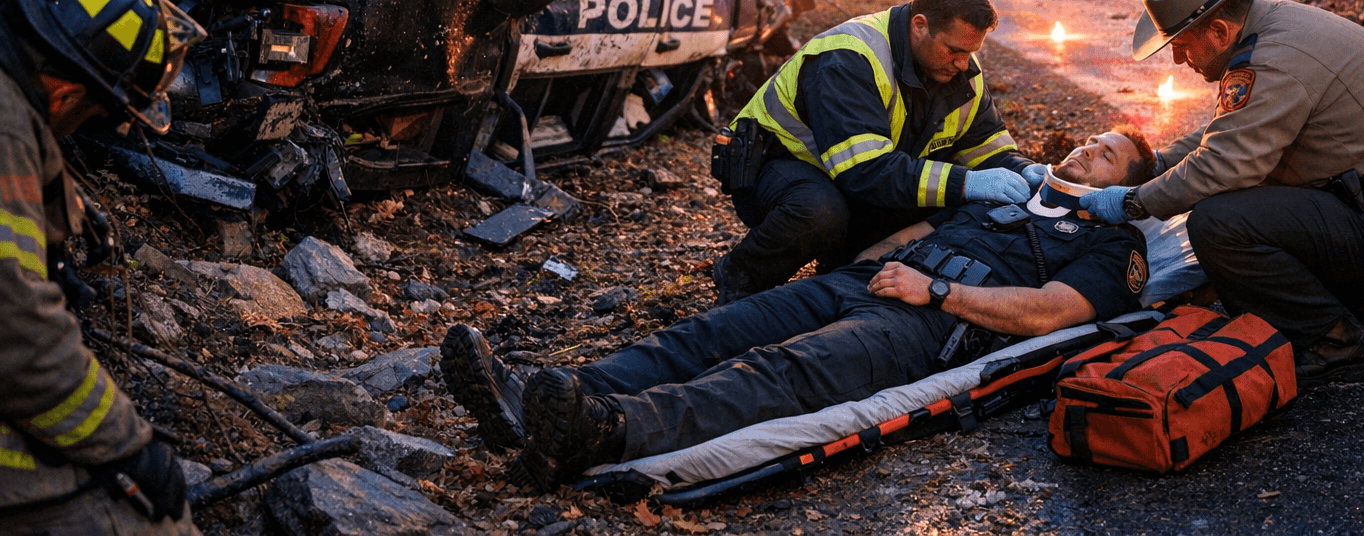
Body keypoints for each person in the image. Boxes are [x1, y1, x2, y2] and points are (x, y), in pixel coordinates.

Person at [442, 128, 1156, 491]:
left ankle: (607, 428)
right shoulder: (1012, 189)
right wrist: (859, 271)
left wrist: (938, 293)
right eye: (1091, 139)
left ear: (1122, 188)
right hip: (871, 283)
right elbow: (919, 230)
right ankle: (538, 398)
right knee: (714, 330)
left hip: (932, 323)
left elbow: (1052, 313)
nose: (1087, 149)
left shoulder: (1112, 241)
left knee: (780, 371)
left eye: (1106, 154)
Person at [1078, 0, 1364, 387]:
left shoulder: (1269, 60)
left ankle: (1332, 341)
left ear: (1219, 31)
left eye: (1182, 46)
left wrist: (1132, 202)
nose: (1177, 60)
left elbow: (1222, 165)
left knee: (1219, 224)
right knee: (1256, 200)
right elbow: (1232, 129)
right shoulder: (1276, 26)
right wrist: (1158, 163)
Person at [0, 0, 206, 535]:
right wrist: (126, 446)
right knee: (143, 521)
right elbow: (5, 327)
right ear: (65, 93)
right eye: (97, 115)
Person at [711, 0, 1042, 302]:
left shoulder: (961, 70)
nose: (963, 63)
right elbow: (864, 171)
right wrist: (965, 183)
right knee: (820, 211)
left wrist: (1025, 170)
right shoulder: (849, 57)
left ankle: (838, 272)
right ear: (919, 25)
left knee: (940, 204)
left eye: (971, 51)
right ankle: (742, 275)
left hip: (856, 175)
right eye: (954, 50)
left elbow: (985, 148)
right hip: (776, 162)